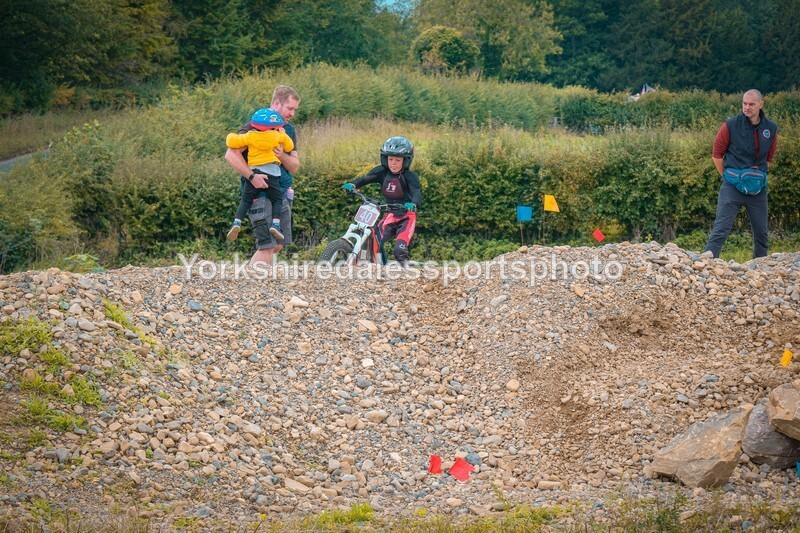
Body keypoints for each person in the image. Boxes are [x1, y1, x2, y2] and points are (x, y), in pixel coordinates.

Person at [225, 86, 300, 267]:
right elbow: (230, 154)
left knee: (278, 245)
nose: (292, 113)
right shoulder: (254, 125)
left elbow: (295, 166)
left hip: (281, 192)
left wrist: (282, 155)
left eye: (295, 110)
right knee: (267, 245)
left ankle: (252, 275)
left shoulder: (288, 130)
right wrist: (252, 177)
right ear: (276, 103)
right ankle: (253, 284)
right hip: (259, 193)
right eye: (290, 108)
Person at [704, 89, 778, 259]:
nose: (747, 107)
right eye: (744, 103)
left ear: (761, 104)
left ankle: (760, 269)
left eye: (751, 104)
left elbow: (769, 158)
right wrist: (730, 178)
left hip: (758, 189)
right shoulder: (730, 125)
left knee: (762, 234)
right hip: (732, 187)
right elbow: (716, 155)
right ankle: (705, 267)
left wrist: (754, 178)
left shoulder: (771, 128)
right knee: (720, 230)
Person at [342, 136, 422, 264]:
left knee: (399, 251)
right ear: (385, 159)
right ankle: (375, 267)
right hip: (389, 215)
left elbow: (417, 193)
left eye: (397, 160)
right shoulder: (382, 172)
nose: (393, 163)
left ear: (406, 161)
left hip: (406, 217)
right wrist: (353, 185)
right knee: (372, 240)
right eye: (390, 159)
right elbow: (364, 179)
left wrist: (413, 203)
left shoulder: (409, 176)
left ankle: (407, 276)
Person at [225, 108, 294, 241]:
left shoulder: (250, 136)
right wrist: (283, 134)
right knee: (277, 199)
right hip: (272, 175)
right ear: (274, 126)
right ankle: (275, 224)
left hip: (255, 173)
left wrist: (230, 136)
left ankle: (237, 222)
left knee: (246, 200)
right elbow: (289, 146)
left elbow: (232, 141)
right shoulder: (277, 136)